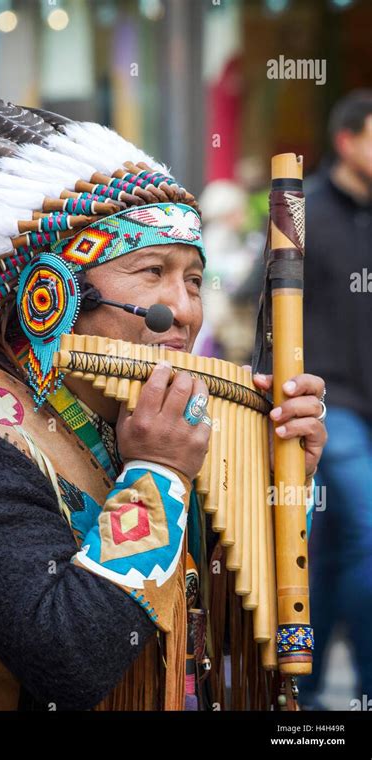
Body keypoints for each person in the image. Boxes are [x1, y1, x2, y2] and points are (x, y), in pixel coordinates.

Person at [0, 98, 326, 711]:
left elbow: (211, 640)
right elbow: (70, 660)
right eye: (152, 272)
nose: (182, 310)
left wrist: (274, 484)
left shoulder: (131, 424)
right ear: (50, 294)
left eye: (194, 280)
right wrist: (158, 475)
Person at [300, 90, 372, 709]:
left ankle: (306, 687)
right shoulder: (304, 209)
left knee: (334, 548)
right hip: (330, 404)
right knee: (369, 535)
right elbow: (259, 296)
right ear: (348, 142)